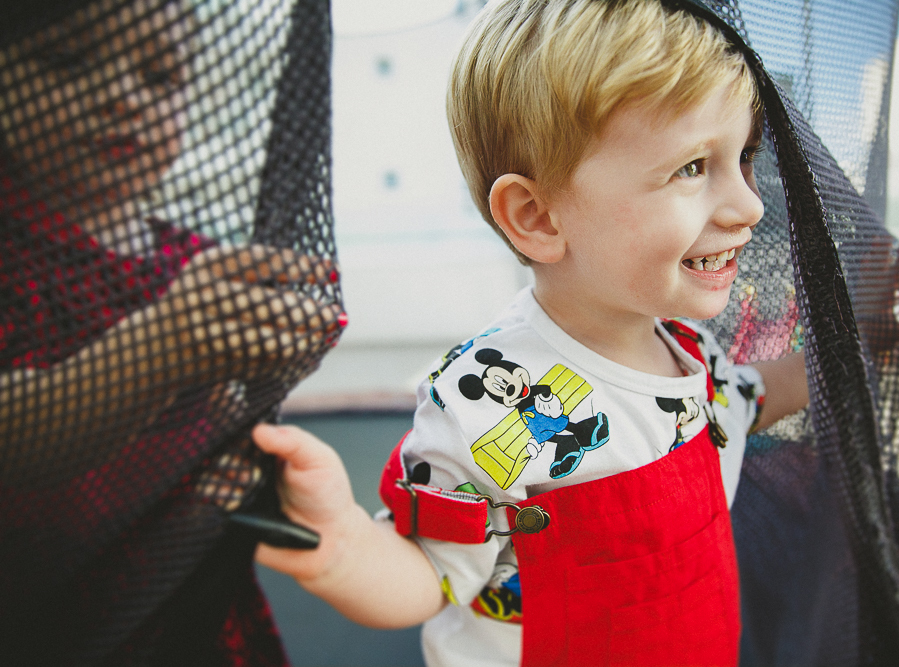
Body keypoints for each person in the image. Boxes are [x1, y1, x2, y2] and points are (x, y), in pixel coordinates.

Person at [253, 0, 809, 665]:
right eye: (692, 167)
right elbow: (427, 572)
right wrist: (341, 546)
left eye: (744, 156)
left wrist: (854, 344)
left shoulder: (688, 350)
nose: (751, 204)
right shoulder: (489, 403)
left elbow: (746, 400)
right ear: (539, 217)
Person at [0, 0, 342, 663]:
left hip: (192, 611)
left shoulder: (191, 260)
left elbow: (203, 428)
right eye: (67, 60)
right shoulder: (15, 255)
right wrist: (164, 344)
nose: (122, 97)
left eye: (161, 76)